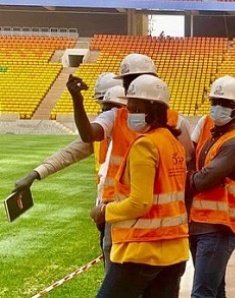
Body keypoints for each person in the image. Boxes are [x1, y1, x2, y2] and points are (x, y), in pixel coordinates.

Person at [67, 53, 193, 269]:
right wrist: (77, 101)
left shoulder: (176, 121)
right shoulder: (118, 115)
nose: (131, 86)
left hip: (159, 222)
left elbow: (186, 165)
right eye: (127, 82)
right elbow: (89, 134)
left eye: (135, 79)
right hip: (122, 210)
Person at [90, 75, 189, 297]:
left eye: (135, 107)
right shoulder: (172, 141)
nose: (129, 113)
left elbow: (139, 202)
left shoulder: (145, 145)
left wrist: (104, 211)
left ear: (152, 109)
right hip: (174, 248)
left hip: (143, 248)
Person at [13, 72, 123, 267]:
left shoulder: (135, 133)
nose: (103, 111)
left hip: (122, 213)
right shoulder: (103, 131)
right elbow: (69, 153)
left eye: (106, 106)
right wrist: (35, 174)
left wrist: (77, 100)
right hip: (106, 212)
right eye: (102, 106)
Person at [186, 76, 235, 298]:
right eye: (215, 102)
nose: (218, 108)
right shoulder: (215, 136)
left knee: (202, 293)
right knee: (214, 290)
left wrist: (179, 178)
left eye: (225, 104)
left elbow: (203, 180)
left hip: (219, 227)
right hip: (201, 224)